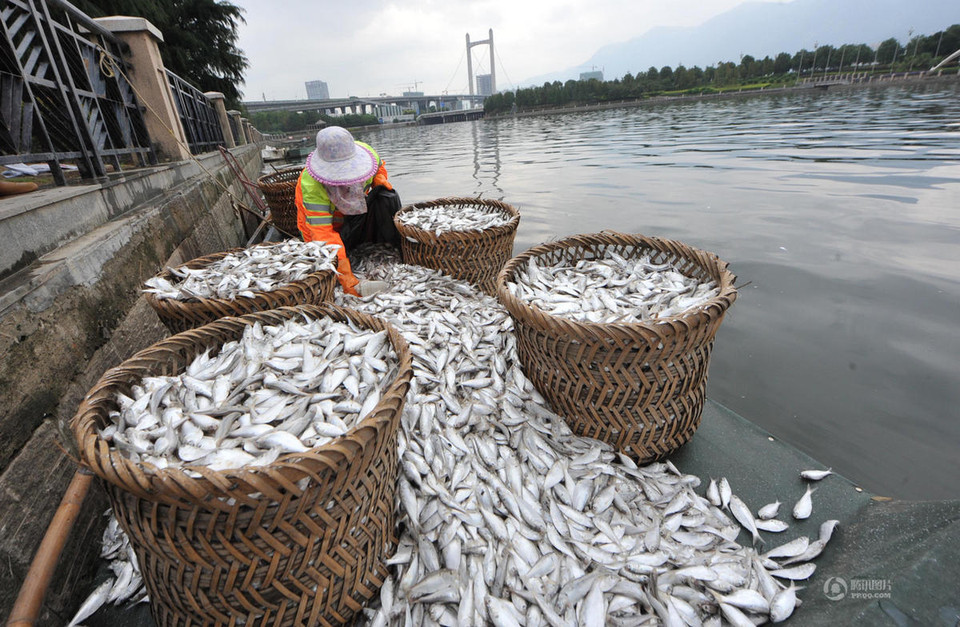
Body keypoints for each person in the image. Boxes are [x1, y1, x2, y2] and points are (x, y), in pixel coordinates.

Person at [294, 126, 402, 296]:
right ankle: (342, 262)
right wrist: (346, 277)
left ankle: (365, 245)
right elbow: (322, 234)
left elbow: (379, 167)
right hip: (317, 227)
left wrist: (379, 179)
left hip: (351, 217)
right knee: (324, 259)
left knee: (385, 196)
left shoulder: (368, 153)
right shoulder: (312, 184)